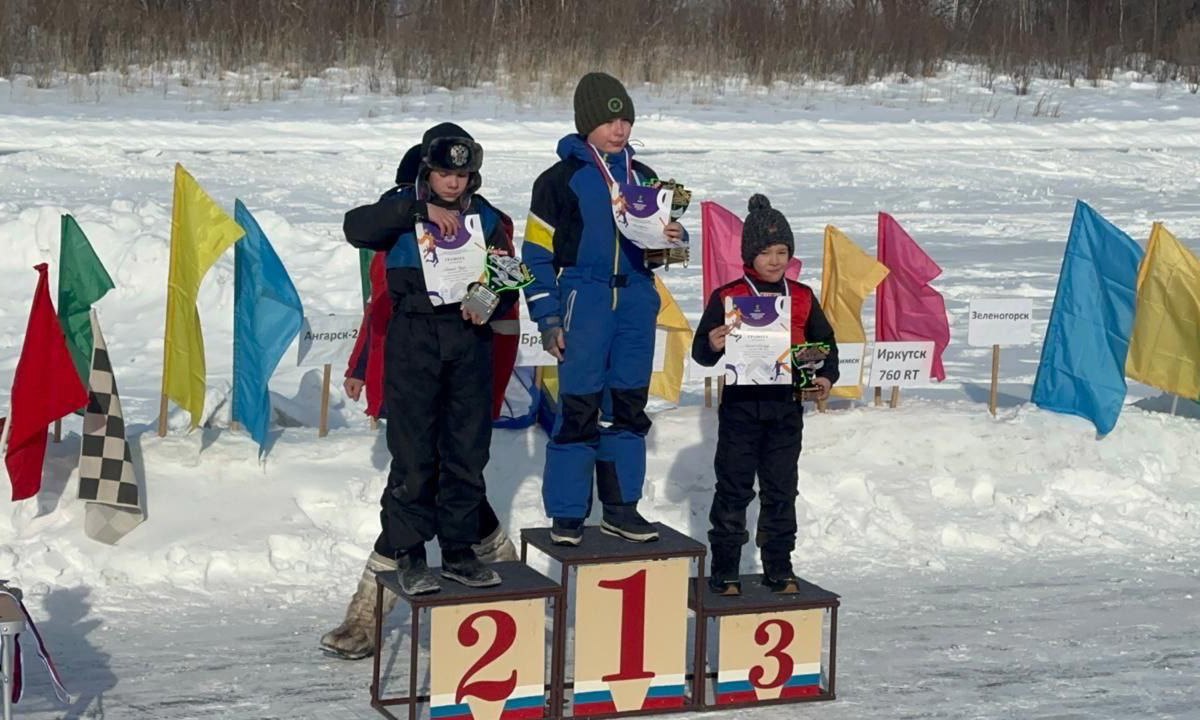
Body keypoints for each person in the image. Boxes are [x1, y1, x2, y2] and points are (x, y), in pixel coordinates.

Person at [320, 143, 520, 661]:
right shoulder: (399, 208)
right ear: (427, 173)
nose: (454, 183)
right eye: (444, 174)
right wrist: (416, 209)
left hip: (468, 339)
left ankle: (457, 550)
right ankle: (408, 552)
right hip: (414, 337)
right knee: (412, 457)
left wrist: (483, 302)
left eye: (463, 174)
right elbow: (354, 227)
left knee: (465, 452)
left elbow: (507, 272)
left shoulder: (487, 216)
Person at [522, 72, 688, 546]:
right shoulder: (560, 181)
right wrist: (548, 318)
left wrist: (676, 240)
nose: (619, 128)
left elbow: (666, 246)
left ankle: (621, 508)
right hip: (584, 299)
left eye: (625, 119)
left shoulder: (647, 179)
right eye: (608, 119)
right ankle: (569, 515)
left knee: (628, 407)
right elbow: (535, 255)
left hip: (636, 299)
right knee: (579, 409)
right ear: (586, 123)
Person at [691, 195, 839, 595]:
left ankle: (779, 564)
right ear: (748, 256)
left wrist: (825, 376)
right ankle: (725, 568)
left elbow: (826, 344)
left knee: (780, 490)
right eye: (765, 252)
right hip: (741, 408)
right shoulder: (729, 296)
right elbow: (701, 354)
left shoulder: (803, 296)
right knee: (734, 489)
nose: (775, 260)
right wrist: (715, 342)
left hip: (786, 409)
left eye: (782, 252)